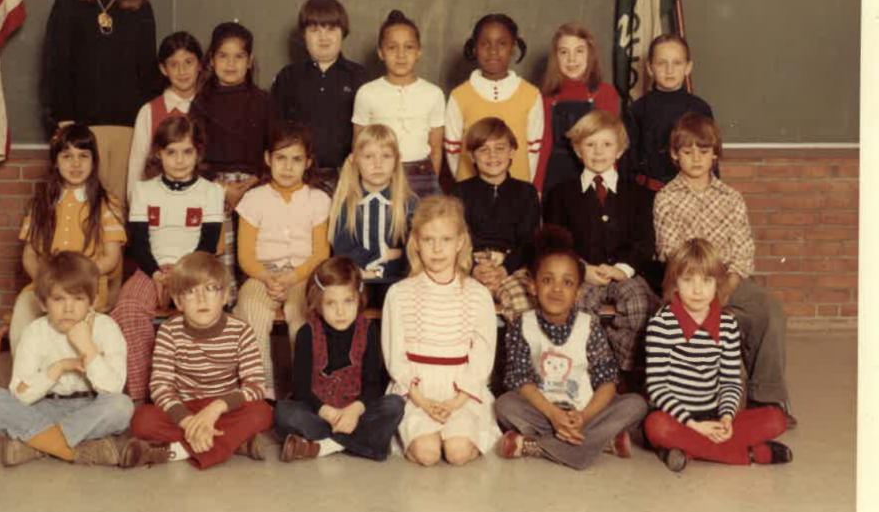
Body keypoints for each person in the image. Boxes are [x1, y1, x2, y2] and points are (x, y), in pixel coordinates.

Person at [653, 113, 793, 422]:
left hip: (729, 279)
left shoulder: (731, 198)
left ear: (715, 153)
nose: (696, 159)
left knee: (768, 310)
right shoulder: (665, 198)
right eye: (687, 152)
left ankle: (765, 400)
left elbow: (743, 249)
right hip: (686, 282)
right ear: (675, 155)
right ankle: (690, 402)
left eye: (703, 152)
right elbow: (670, 251)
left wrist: (726, 286)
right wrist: (700, 287)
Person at [0, 252, 148, 468]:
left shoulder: (106, 328)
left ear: (92, 302)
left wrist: (88, 348)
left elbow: (114, 388)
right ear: (43, 303)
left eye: (78, 299)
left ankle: (35, 444)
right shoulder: (34, 332)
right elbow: (20, 394)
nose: (68, 308)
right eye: (59, 299)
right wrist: (57, 368)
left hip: (91, 407)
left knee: (121, 407)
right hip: (43, 407)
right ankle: (77, 450)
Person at [495, 227, 647, 468]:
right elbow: (521, 381)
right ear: (533, 286)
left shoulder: (590, 325)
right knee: (504, 405)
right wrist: (555, 416)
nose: (556, 289)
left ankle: (537, 446)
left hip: (584, 411)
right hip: (543, 411)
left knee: (636, 405)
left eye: (567, 282)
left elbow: (607, 381)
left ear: (577, 292)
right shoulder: (522, 325)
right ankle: (599, 443)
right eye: (547, 280)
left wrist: (583, 417)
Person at [644, 238, 793, 472]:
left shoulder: (727, 324)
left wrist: (726, 417)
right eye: (687, 280)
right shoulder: (661, 324)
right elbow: (657, 387)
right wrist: (693, 425)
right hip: (675, 416)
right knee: (656, 426)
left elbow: (731, 381)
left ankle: (686, 450)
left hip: (713, 415)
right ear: (675, 283)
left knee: (777, 419)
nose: (697, 289)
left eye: (706, 280)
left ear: (717, 284)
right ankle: (751, 454)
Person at [41, 0, 158, 203]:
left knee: (121, 213)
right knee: (84, 209)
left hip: (130, 131)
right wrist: (64, 123)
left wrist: (147, 130)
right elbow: (56, 67)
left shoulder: (140, 6)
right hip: (82, 130)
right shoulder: (68, 2)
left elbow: (148, 73)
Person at [112, 114, 225, 401]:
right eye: (171, 152)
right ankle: (143, 393)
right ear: (158, 153)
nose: (179, 160)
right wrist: (158, 275)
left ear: (198, 152)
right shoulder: (144, 190)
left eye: (187, 152)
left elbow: (207, 245)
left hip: (194, 270)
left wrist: (180, 276)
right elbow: (139, 243)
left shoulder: (211, 192)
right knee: (128, 308)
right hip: (152, 269)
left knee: (195, 313)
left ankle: (184, 391)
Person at [381, 195, 501, 466]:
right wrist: (421, 401)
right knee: (428, 454)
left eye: (446, 240)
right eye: (428, 240)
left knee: (458, 453)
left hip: (460, 390)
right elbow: (396, 356)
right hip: (416, 389)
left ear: (460, 242)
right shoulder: (399, 294)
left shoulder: (477, 294)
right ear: (416, 243)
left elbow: (482, 357)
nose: (437, 249)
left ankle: (463, 431)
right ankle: (412, 436)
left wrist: (455, 402)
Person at [130, 252, 274, 470]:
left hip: (224, 408)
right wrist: (189, 422)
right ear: (178, 301)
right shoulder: (169, 331)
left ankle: (177, 450)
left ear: (225, 296)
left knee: (262, 412)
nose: (202, 299)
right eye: (190, 292)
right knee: (141, 419)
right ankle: (232, 443)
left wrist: (215, 409)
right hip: (184, 408)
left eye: (211, 289)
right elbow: (160, 386)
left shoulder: (241, 330)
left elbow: (255, 386)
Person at [542, 110, 657, 373]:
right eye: (590, 145)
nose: (598, 152)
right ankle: (590, 370)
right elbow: (556, 243)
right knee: (578, 309)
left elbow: (645, 241)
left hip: (625, 275)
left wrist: (623, 269)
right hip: (582, 275)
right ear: (577, 150)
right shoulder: (561, 195)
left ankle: (625, 372)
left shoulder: (638, 194)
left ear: (619, 150)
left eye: (607, 144)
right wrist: (581, 269)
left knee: (640, 303)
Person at [232, 122, 332, 397]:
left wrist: (292, 277)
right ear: (268, 159)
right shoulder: (254, 199)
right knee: (252, 311)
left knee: (302, 317)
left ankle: (304, 393)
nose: (288, 167)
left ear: (308, 162)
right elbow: (245, 256)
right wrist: (267, 277)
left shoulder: (317, 199)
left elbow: (321, 253)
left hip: (302, 275)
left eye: (296, 159)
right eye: (281, 158)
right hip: (261, 274)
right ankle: (261, 391)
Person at [274, 257, 405, 462]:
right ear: (318, 303)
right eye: (331, 303)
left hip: (356, 413)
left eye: (348, 301)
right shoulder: (306, 334)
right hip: (322, 414)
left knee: (395, 405)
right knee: (284, 412)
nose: (341, 311)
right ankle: (361, 442)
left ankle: (324, 446)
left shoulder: (369, 330)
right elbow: (302, 389)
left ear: (359, 297)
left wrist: (354, 411)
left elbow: (373, 385)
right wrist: (329, 413)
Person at [9, 124, 125, 353]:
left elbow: (111, 258)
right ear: (55, 161)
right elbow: (29, 256)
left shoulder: (105, 204)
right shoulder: (41, 204)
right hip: (45, 288)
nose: (75, 164)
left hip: (87, 289)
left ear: (94, 161)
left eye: (83, 156)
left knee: (76, 334)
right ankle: (27, 378)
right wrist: (46, 281)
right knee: (23, 311)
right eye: (67, 156)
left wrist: (77, 278)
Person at [189, 21, 274, 300]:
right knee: (221, 258)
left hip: (256, 185)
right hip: (214, 187)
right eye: (223, 56)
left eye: (239, 56)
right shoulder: (201, 103)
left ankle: (251, 305)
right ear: (211, 60)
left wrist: (252, 183)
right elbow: (194, 154)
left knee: (253, 253)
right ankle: (223, 305)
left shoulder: (262, 101)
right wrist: (221, 189)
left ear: (249, 61)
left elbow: (272, 148)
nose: (231, 63)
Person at [271, 0, 368, 191]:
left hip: (347, 177)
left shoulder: (360, 77)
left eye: (331, 28)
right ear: (303, 34)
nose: (323, 37)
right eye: (314, 29)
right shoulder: (288, 77)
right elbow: (275, 130)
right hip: (297, 177)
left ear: (343, 32)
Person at [352, 10, 444, 197]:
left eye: (408, 47)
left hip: (422, 173)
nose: (401, 55)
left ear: (418, 51)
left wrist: (430, 179)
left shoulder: (433, 93)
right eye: (392, 47)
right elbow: (358, 145)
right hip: (379, 174)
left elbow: (435, 148)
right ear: (381, 52)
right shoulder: (367, 92)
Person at [444, 14, 543, 183]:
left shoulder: (531, 95)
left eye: (502, 43)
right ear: (475, 48)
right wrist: (467, 187)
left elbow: (533, 152)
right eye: (485, 43)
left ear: (513, 49)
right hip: (471, 193)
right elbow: (453, 151)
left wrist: (523, 187)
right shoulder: (459, 96)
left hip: (516, 192)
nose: (493, 50)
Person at [450, 117, 541, 298]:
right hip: (469, 266)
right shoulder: (459, 192)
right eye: (483, 150)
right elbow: (455, 239)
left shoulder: (526, 192)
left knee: (524, 300)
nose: (492, 156)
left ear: (512, 151)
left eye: (500, 148)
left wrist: (504, 269)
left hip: (512, 267)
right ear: (471, 156)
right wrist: (474, 268)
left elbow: (529, 242)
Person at [328, 124, 417, 308]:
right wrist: (385, 255)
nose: (378, 164)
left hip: (396, 279)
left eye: (386, 156)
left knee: (396, 303)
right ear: (355, 161)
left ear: (396, 160)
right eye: (369, 156)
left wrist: (379, 272)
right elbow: (343, 249)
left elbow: (412, 252)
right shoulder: (346, 203)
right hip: (356, 277)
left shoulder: (409, 203)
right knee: (348, 303)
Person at [533, 22, 620, 199]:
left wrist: (611, 188)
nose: (571, 59)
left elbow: (612, 144)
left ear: (590, 54)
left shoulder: (606, 94)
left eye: (579, 51)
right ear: (555, 57)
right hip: (555, 178)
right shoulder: (546, 98)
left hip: (594, 173)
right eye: (564, 52)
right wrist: (537, 188)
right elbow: (544, 146)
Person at [624, 33, 714, 194]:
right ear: (650, 68)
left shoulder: (700, 108)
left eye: (677, 63)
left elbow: (711, 160)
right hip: (648, 194)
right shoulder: (638, 109)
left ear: (688, 67)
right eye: (662, 63)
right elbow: (628, 163)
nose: (669, 70)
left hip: (692, 194)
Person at [126, 31, 205, 202]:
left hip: (202, 202)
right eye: (173, 65)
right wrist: (135, 209)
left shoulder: (211, 106)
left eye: (188, 62)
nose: (182, 71)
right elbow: (136, 167)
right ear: (163, 69)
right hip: (159, 202)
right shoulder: (149, 111)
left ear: (200, 64)